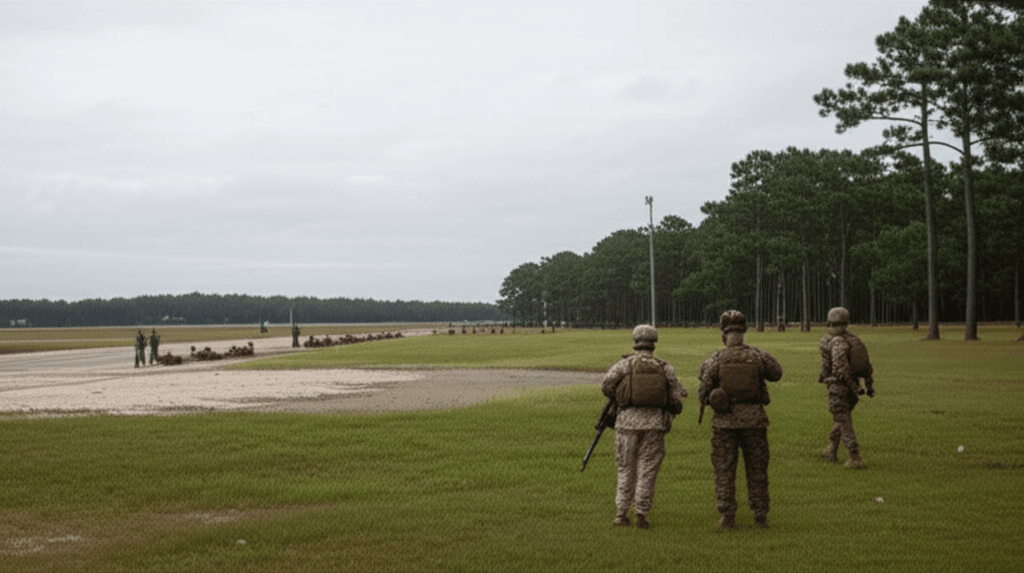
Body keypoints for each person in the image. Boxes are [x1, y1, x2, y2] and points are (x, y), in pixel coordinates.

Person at [698, 310, 783, 530]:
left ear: (723, 333)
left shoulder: (715, 358)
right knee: (757, 469)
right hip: (755, 421)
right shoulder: (758, 356)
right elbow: (777, 373)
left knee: (724, 469)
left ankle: (727, 516)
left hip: (725, 424)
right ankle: (760, 515)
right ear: (744, 331)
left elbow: (702, 391)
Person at [600, 325, 687, 530]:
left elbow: (606, 386)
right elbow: (678, 394)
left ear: (635, 341)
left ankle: (621, 514)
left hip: (626, 424)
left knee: (625, 468)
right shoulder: (664, 367)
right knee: (647, 469)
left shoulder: (624, 365)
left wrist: (622, 395)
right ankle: (641, 514)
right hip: (654, 425)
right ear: (654, 343)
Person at [818, 307, 875, 469]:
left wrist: (851, 387)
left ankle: (854, 456)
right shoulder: (854, 340)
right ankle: (831, 448)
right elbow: (867, 366)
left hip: (839, 387)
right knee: (841, 418)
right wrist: (867, 386)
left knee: (844, 421)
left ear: (830, 323)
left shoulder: (837, 342)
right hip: (853, 386)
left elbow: (840, 369)